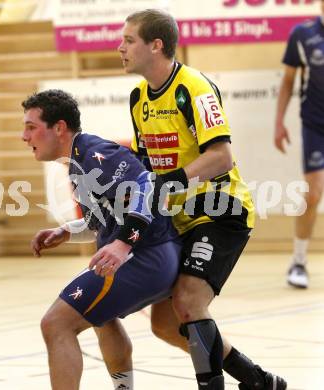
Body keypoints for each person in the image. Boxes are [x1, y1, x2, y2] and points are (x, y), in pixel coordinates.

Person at [116, 8, 287, 390]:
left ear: (156, 45)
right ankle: (259, 381)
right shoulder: (138, 96)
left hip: (220, 209)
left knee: (190, 302)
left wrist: (170, 182)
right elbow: (147, 162)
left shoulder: (193, 87)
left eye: (129, 40)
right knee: (164, 324)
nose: (120, 47)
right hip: (178, 218)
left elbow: (221, 156)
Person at [22, 89, 182, 390]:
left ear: (58, 128)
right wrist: (66, 231)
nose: (24, 136)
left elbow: (147, 187)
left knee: (55, 323)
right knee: (101, 316)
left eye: (31, 127)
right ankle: (244, 370)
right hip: (154, 254)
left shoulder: (96, 153)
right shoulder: (77, 161)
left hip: (148, 255)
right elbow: (105, 220)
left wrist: (123, 245)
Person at [274, 0, 324, 289]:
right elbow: (288, 81)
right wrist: (279, 122)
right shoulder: (302, 34)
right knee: (313, 193)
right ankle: (299, 261)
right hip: (315, 125)